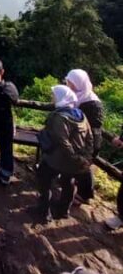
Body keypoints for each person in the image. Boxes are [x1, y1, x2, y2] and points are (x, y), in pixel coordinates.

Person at [35, 85, 94, 223]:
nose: (52, 98)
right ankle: (63, 211)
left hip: (57, 159)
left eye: (54, 96)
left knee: (44, 180)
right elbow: (90, 138)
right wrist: (85, 157)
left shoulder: (59, 117)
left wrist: (75, 158)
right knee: (69, 183)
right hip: (75, 161)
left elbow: (62, 142)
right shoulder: (80, 114)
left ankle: (44, 212)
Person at [65, 69, 104, 203]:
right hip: (79, 139)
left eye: (70, 82)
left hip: (89, 141)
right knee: (80, 166)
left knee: (83, 168)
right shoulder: (79, 96)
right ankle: (79, 189)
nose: (68, 84)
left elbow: (95, 125)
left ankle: (85, 195)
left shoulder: (93, 103)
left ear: (78, 83)